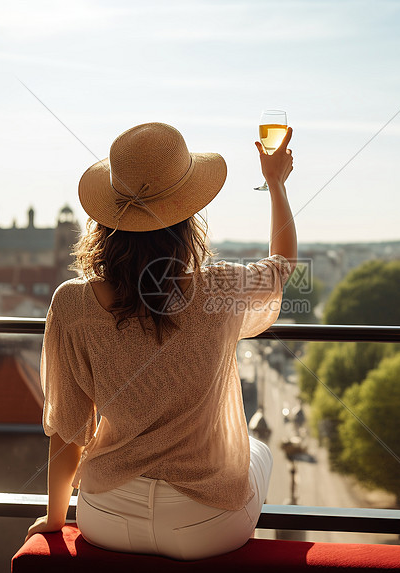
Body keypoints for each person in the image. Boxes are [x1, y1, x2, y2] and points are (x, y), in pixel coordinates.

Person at [26, 121, 296, 560]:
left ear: (106, 220)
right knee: (258, 450)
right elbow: (282, 267)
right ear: (187, 218)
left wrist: (57, 520)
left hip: (106, 517)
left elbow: (68, 431)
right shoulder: (219, 289)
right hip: (204, 525)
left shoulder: (70, 303)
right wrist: (275, 184)